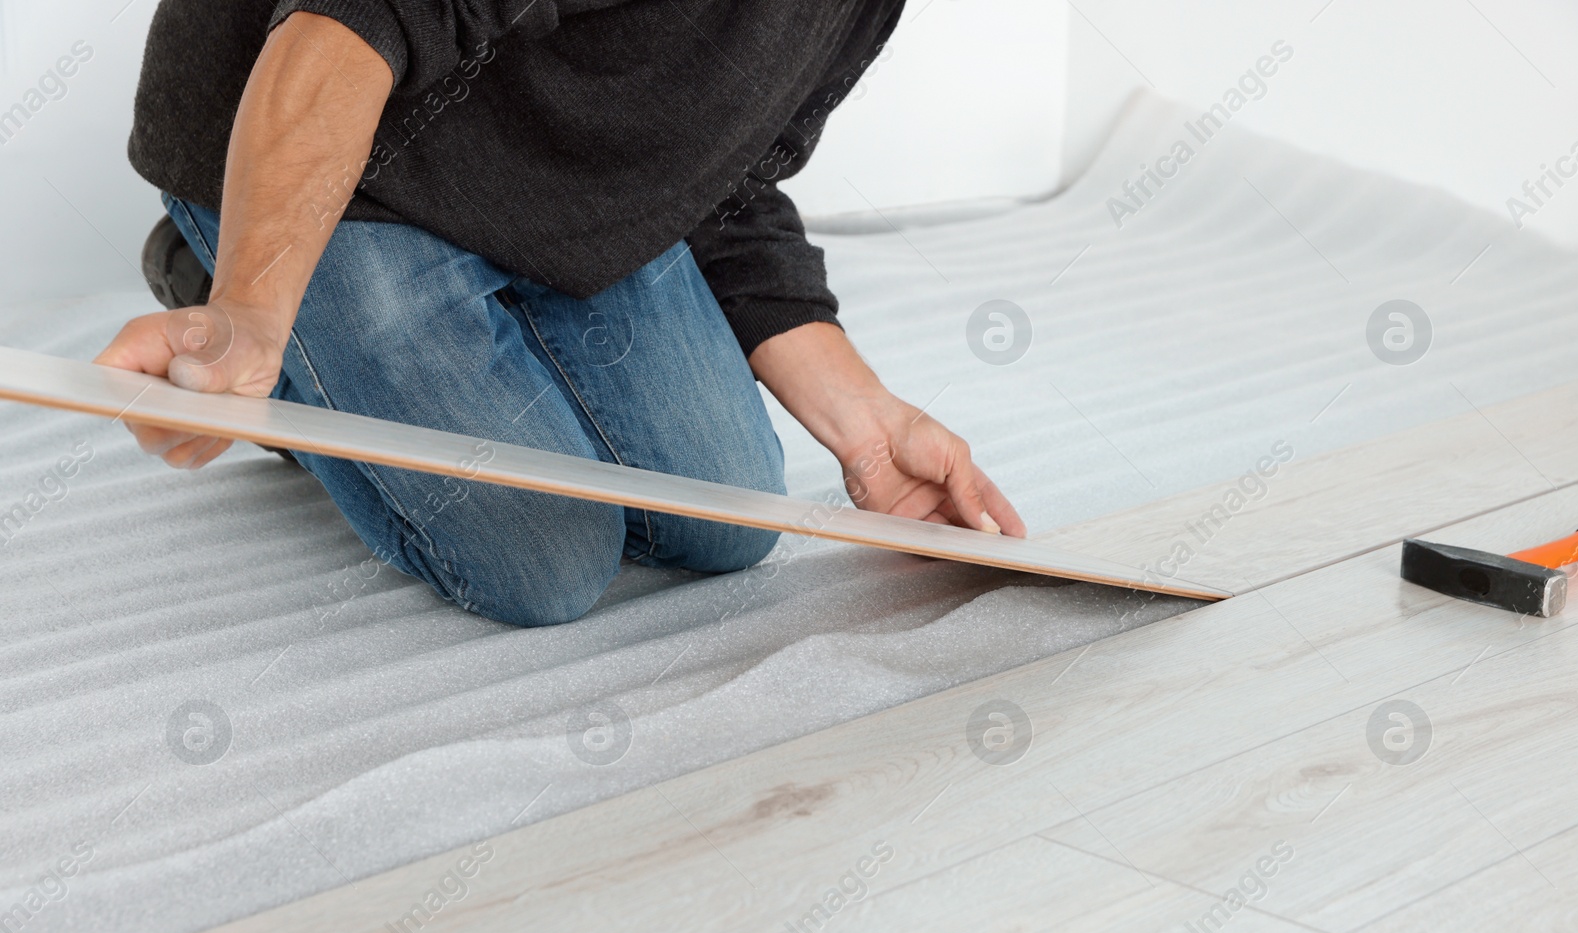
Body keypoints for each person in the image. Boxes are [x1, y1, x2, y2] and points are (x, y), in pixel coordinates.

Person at [95, 1, 1025, 626]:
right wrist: (254, 313)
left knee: (727, 522)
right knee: (546, 566)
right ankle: (219, 265)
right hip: (349, 158)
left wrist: (868, 429)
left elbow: (728, 178)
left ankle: (352, 337)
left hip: (544, 173)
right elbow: (350, 19)